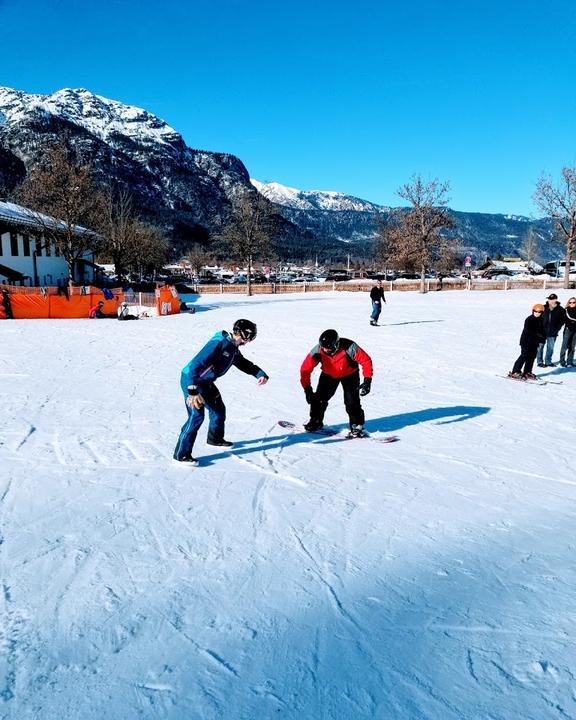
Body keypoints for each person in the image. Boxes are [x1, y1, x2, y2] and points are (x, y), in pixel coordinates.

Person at [173, 319, 269, 466]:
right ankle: (181, 454)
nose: (248, 342)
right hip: (192, 380)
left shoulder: (233, 347)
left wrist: (259, 373)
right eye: (248, 338)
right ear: (241, 333)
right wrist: (192, 391)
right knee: (196, 416)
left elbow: (243, 363)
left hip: (205, 382)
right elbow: (195, 365)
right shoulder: (219, 343)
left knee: (218, 409)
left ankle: (215, 438)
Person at [300, 329, 373, 438]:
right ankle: (316, 421)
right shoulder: (318, 350)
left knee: (351, 402)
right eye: (322, 347)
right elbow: (305, 369)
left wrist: (367, 380)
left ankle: (356, 426)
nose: (324, 349)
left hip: (350, 375)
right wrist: (307, 389)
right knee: (319, 399)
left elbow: (366, 360)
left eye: (327, 348)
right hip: (328, 375)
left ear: (336, 345)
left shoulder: (349, 346)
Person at [509, 304, 546, 380]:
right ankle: (515, 372)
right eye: (535, 311)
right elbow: (528, 330)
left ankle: (527, 372)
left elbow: (543, 331)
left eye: (539, 312)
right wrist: (538, 334)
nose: (537, 313)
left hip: (534, 342)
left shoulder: (542, 320)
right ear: (533, 311)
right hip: (526, 341)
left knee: (532, 357)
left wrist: (543, 338)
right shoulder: (529, 319)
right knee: (524, 356)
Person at [536, 293, 566, 367]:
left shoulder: (561, 309)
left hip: (553, 332)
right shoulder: (543, 307)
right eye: (549, 299)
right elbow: (536, 317)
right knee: (540, 347)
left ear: (556, 300)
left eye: (552, 299)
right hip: (541, 332)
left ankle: (548, 361)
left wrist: (557, 328)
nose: (550, 300)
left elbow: (562, 321)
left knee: (550, 348)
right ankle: (539, 362)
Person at [559, 296, 576, 367]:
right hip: (568, 330)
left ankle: (570, 361)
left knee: (572, 346)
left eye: (574, 302)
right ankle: (562, 361)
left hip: (575, 331)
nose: (572, 303)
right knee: (564, 345)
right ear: (568, 303)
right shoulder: (566, 310)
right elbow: (564, 320)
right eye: (570, 302)